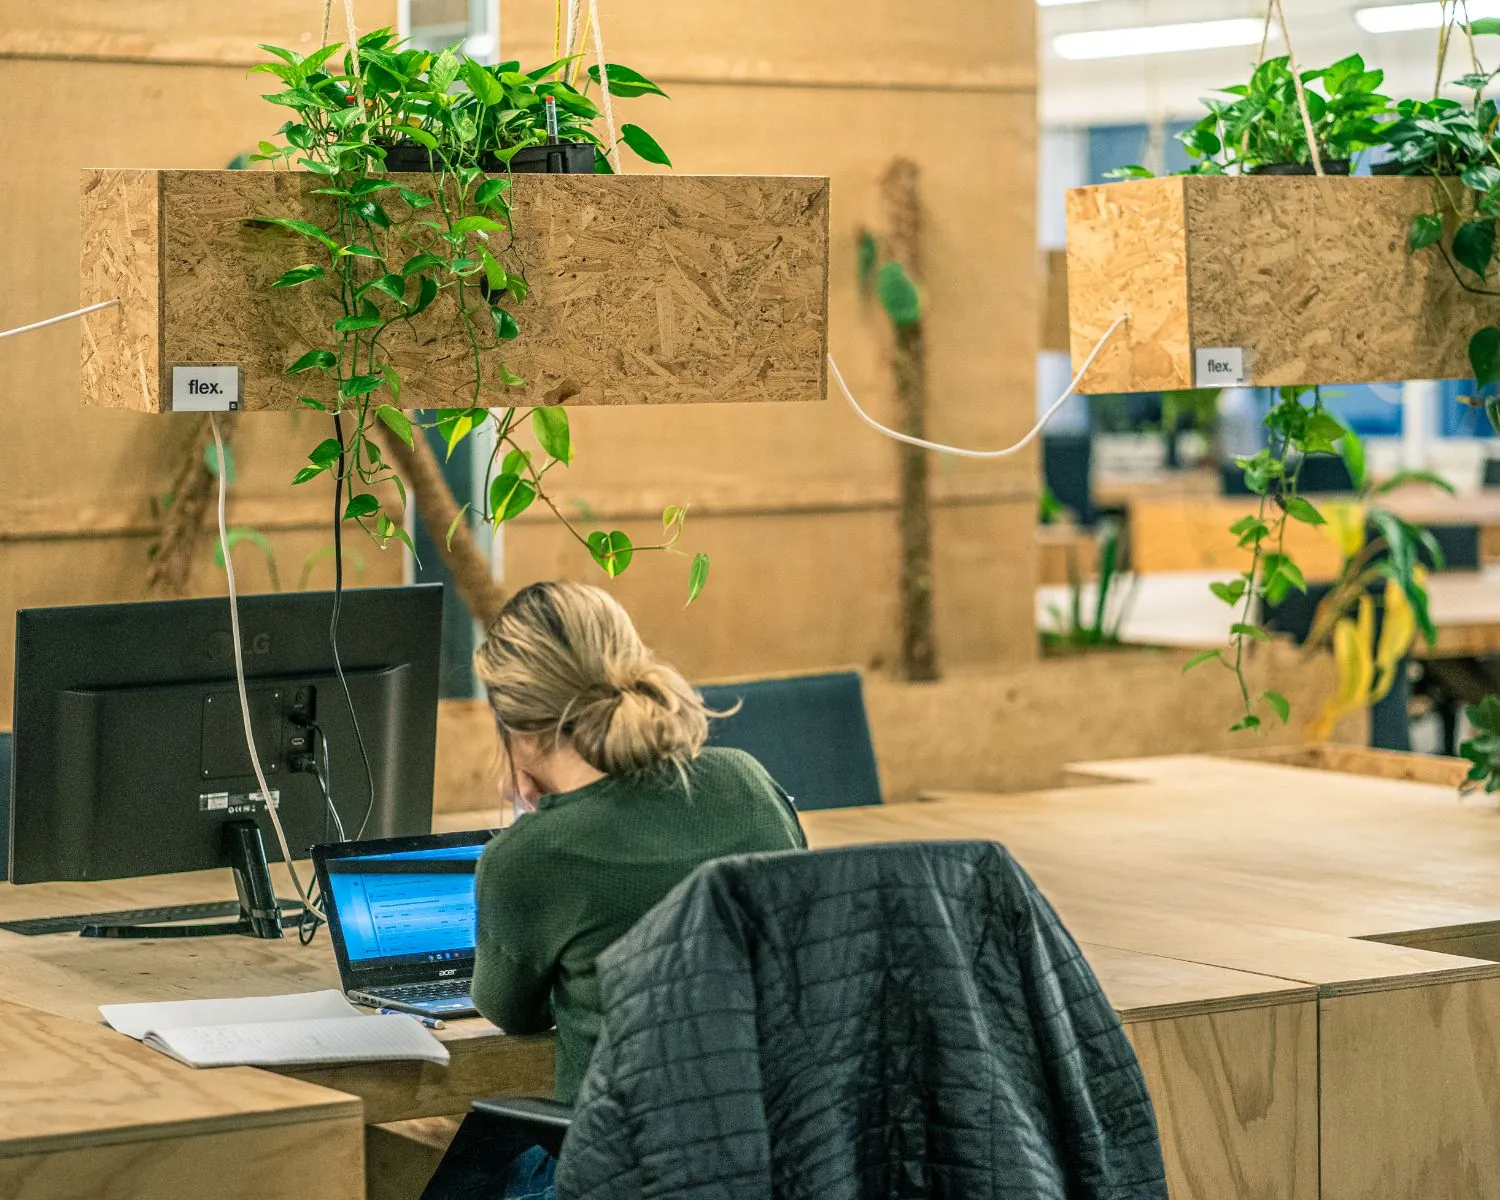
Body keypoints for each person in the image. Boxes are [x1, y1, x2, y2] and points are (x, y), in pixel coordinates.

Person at [420, 581, 807, 1200]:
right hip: (785, 1158)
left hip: (620, 1172)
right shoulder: (747, 781)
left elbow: (512, 1013)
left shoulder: (528, 856)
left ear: (514, 720)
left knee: (428, 1152)